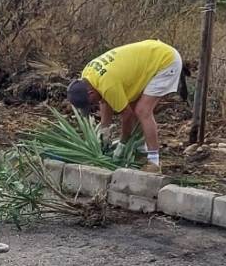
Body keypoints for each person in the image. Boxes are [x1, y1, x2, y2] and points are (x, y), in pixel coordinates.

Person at [66, 40, 183, 173]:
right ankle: (139, 149)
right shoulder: (88, 74)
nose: (93, 105)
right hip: (150, 57)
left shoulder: (108, 84)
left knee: (142, 110)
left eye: (90, 102)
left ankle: (154, 162)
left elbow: (127, 116)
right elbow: (104, 100)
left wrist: (123, 142)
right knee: (133, 106)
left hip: (165, 61)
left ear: (90, 92)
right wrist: (105, 129)